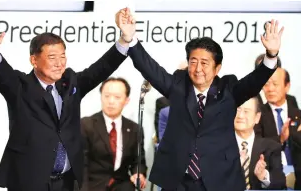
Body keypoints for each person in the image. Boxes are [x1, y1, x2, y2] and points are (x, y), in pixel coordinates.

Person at [115, 8, 283, 191]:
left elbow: (254, 82)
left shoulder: (229, 88)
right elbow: (150, 68)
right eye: (193, 62)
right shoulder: (178, 85)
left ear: (217, 68)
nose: (197, 69)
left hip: (219, 178)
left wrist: (271, 55)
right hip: (178, 178)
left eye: (204, 63)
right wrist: (130, 39)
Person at [0, 15, 128, 191]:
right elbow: (4, 75)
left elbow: (101, 68)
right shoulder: (20, 87)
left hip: (67, 182)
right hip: (29, 182)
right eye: (52, 57)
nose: (59, 64)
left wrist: (124, 41)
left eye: (62, 56)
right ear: (34, 60)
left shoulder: (70, 82)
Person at [80, 77, 147, 191]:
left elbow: (138, 161)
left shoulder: (135, 128)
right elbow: (82, 164)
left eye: (117, 97)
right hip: (93, 185)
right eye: (106, 96)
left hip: (123, 186)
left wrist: (138, 174)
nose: (111, 101)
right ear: (101, 97)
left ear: (126, 100)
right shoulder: (86, 125)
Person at [254, 67, 301, 189]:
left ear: (287, 86)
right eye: (266, 84)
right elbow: (256, 144)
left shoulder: (298, 114)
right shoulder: (257, 115)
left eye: (275, 84)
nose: (270, 89)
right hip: (272, 176)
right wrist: (280, 138)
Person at [234, 97, 285, 190]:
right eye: (237, 110)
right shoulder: (219, 146)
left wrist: (264, 176)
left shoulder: (272, 148)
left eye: (246, 111)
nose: (240, 115)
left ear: (257, 117)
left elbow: (281, 185)